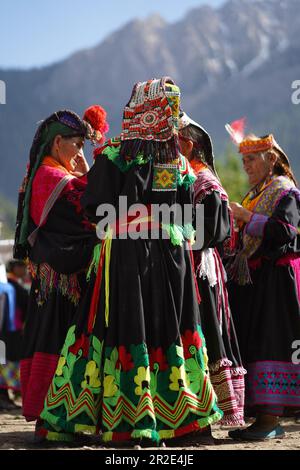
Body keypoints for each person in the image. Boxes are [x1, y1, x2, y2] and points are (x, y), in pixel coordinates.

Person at [40, 77, 223, 447]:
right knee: (166, 326)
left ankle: (123, 420)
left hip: (125, 253)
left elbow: (94, 206)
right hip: (171, 257)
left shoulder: (113, 155)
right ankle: (181, 420)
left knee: (123, 326)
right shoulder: (179, 163)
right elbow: (187, 212)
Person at [14, 107, 108, 438]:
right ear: (58, 143)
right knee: (61, 341)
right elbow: (89, 213)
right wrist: (92, 175)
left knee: (52, 337)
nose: (80, 153)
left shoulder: (43, 173)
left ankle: (52, 420)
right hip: (62, 279)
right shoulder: (54, 179)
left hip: (52, 277)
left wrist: (84, 173)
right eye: (77, 145)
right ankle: (55, 421)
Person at [225, 132, 300, 440]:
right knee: (257, 343)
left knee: (273, 341)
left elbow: (286, 231)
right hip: (259, 281)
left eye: (252, 159)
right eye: (243, 161)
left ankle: (271, 419)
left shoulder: (285, 192)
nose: (246, 166)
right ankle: (262, 418)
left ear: (271, 159)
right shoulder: (258, 192)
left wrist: (246, 216)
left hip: (278, 282)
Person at [178, 112, 246, 427]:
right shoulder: (186, 177)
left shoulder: (205, 181)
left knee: (208, 328)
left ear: (188, 145)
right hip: (188, 264)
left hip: (202, 267)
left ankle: (218, 409)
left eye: (173, 142)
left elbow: (216, 230)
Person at [0, 260, 29, 410]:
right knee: (5, 362)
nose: (25, 269)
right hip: (8, 332)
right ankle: (3, 397)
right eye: (22, 266)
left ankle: (5, 397)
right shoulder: (12, 286)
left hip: (7, 331)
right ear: (14, 268)